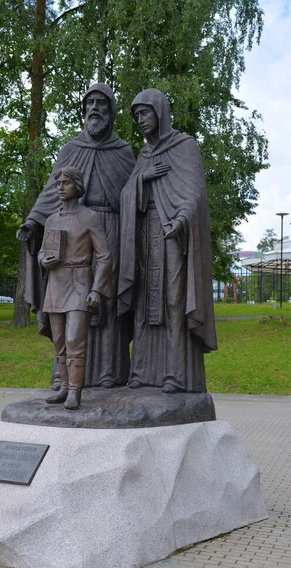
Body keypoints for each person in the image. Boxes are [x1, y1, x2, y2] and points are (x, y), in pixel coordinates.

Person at [17, 83, 135, 388]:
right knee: (67, 308)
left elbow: (135, 196)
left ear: (111, 112)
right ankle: (65, 378)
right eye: (90, 104)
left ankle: (110, 373)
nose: (95, 108)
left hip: (110, 229)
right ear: (83, 112)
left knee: (104, 302)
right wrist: (32, 222)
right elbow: (50, 192)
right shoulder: (71, 149)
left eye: (102, 104)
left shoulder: (122, 152)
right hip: (71, 232)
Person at [118, 89, 217, 393]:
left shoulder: (184, 146)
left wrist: (182, 219)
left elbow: (195, 193)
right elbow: (126, 196)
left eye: (144, 113)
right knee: (143, 302)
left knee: (173, 301)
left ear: (160, 112)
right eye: (136, 116)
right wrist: (142, 178)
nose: (140, 120)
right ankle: (142, 372)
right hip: (145, 235)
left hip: (174, 235)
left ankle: (175, 373)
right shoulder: (144, 155)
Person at [38, 167, 111, 410]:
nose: (60, 187)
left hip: (80, 283)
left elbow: (104, 256)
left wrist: (97, 289)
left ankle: (75, 392)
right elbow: (41, 251)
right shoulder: (51, 219)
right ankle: (64, 387)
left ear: (77, 186)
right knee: (59, 341)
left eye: (66, 183)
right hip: (55, 283)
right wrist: (42, 260)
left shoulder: (90, 217)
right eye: (58, 183)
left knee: (74, 340)